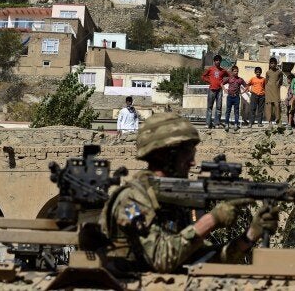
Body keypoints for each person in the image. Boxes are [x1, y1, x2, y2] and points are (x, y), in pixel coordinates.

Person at [100, 113, 279, 274]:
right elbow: (161, 259)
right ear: (165, 154)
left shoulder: (169, 200)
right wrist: (211, 220)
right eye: (187, 154)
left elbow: (200, 258)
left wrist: (249, 236)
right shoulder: (131, 199)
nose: (193, 162)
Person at [202, 55, 230, 128]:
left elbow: (229, 76)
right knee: (209, 107)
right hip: (211, 90)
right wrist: (209, 81)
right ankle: (208, 124)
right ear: (214, 61)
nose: (218, 61)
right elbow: (203, 76)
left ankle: (216, 123)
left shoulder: (223, 70)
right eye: (216, 60)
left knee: (218, 107)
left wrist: (223, 83)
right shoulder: (210, 69)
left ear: (220, 61)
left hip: (219, 90)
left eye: (219, 60)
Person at [223, 66, 248, 130]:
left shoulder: (240, 79)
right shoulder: (229, 79)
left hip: (236, 97)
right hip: (230, 97)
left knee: (236, 112)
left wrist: (242, 93)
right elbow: (221, 83)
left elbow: (246, 86)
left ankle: (236, 124)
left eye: (237, 71)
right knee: (228, 111)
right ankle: (226, 124)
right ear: (232, 72)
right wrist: (225, 90)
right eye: (234, 71)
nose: (236, 72)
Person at [265, 58, 283, 126]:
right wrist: (265, 91)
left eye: (274, 63)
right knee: (269, 106)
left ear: (276, 64)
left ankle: (278, 120)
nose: (273, 64)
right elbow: (266, 82)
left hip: (276, 90)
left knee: (277, 105)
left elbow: (281, 80)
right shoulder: (268, 72)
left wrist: (279, 81)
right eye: (271, 63)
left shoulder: (279, 72)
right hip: (268, 90)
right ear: (269, 64)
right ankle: (270, 122)